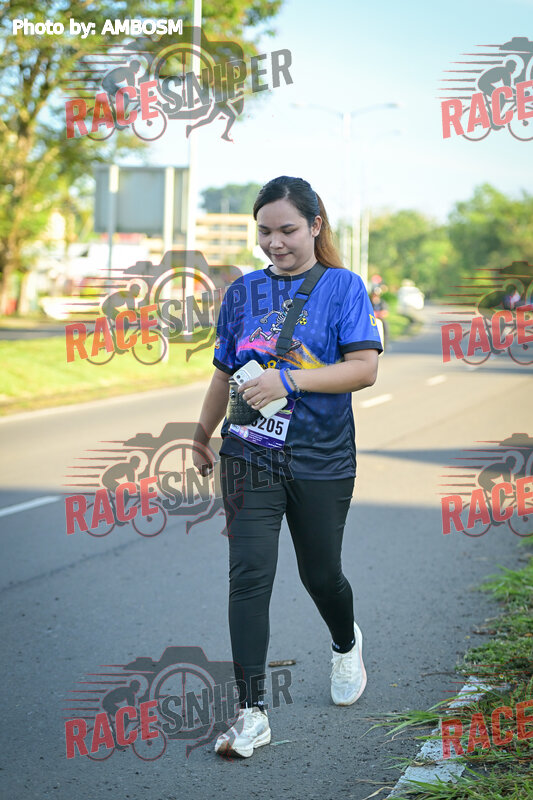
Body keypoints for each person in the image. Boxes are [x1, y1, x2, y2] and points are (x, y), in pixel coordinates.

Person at [193, 176, 382, 759]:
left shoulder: (344, 287)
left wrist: (289, 380)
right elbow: (225, 372)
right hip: (248, 451)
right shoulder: (242, 292)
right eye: (265, 231)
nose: (275, 242)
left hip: (321, 457)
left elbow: (364, 368)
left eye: (288, 230)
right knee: (249, 574)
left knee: (321, 574)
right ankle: (251, 713)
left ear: (315, 226)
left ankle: (345, 643)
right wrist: (201, 434)